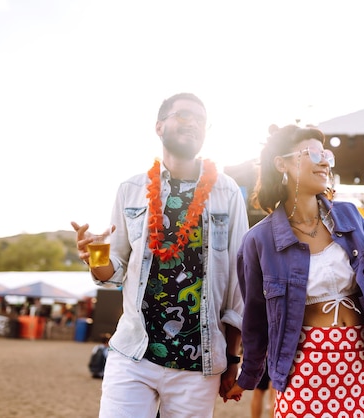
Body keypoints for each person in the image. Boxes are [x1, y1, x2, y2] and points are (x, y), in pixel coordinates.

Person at [71, 92, 249, 418]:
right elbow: (115, 271)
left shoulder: (227, 192)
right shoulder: (131, 189)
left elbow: (239, 286)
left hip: (199, 364)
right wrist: (95, 257)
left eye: (200, 119)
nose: (193, 123)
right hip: (133, 354)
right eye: (183, 115)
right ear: (159, 126)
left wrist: (233, 359)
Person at [225, 124, 364, 417]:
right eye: (313, 153)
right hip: (304, 367)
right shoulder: (259, 240)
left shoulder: (349, 215)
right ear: (282, 163)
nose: (324, 161)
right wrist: (247, 377)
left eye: (326, 154)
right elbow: (255, 318)